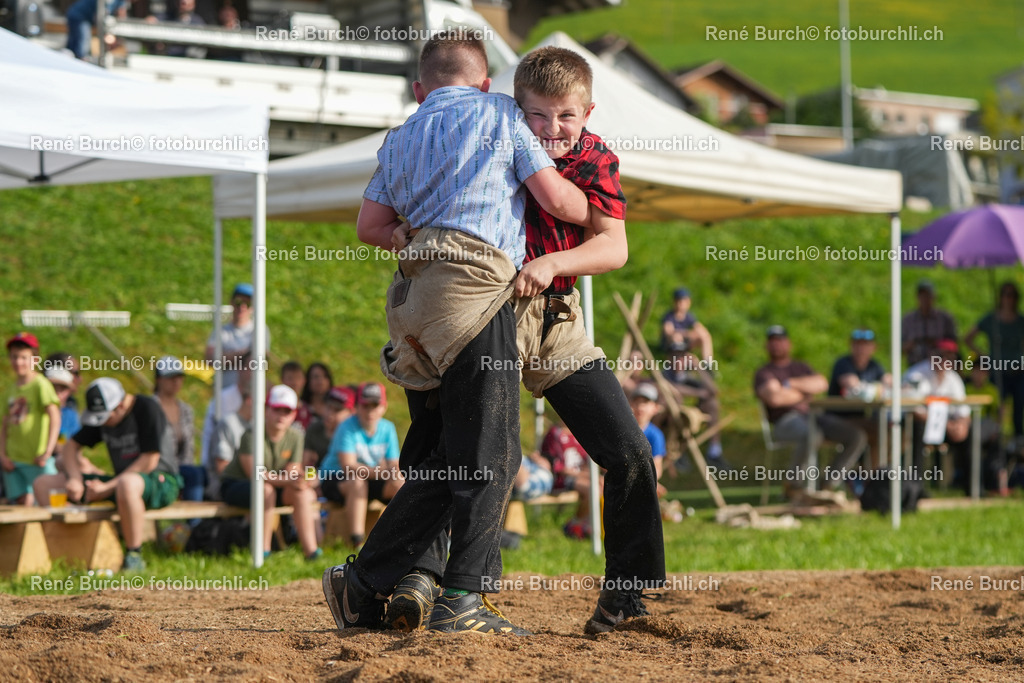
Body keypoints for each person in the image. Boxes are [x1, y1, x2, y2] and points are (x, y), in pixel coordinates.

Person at [322, 30, 592, 636]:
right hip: (475, 294)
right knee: (488, 455)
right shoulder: (500, 114)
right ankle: (460, 600)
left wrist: (402, 236)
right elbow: (557, 200)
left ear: (420, 90)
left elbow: (370, 224)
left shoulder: (400, 136)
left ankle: (383, 581)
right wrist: (599, 206)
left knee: (444, 452)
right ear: (488, 84)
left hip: (414, 304)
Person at [33, 378, 180, 571]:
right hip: (119, 483)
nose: (103, 423)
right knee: (44, 484)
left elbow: (149, 460)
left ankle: (134, 555)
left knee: (127, 484)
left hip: (160, 482)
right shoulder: (105, 412)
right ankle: (68, 554)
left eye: (106, 417)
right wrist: (76, 480)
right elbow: (70, 447)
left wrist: (106, 488)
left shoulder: (146, 408)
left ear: (120, 406)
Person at [754, 325, 867, 499]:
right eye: (772, 342)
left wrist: (787, 385)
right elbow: (774, 399)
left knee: (856, 436)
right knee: (813, 434)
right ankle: (793, 486)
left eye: (780, 341)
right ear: (767, 346)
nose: (777, 345)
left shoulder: (801, 367)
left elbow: (821, 383)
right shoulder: (763, 373)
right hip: (785, 421)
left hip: (815, 416)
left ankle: (828, 483)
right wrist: (804, 392)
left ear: (788, 344)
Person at [219, 385, 321, 560]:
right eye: (276, 410)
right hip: (235, 485)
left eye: (286, 411)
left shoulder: (296, 436)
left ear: (294, 414)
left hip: (272, 486)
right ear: (266, 410)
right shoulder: (251, 435)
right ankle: (263, 551)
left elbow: (293, 470)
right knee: (265, 490)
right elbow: (255, 474)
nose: (281, 416)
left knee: (302, 493)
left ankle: (311, 551)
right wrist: (290, 480)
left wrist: (308, 479)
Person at [319, 382, 402, 548]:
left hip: (368, 477)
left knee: (400, 484)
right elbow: (348, 467)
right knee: (357, 482)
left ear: (383, 408)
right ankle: (357, 542)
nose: (370, 411)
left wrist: (393, 474)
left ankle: (399, 540)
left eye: (375, 405)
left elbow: (395, 464)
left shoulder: (387, 428)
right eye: (365, 406)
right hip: (335, 478)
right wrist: (384, 472)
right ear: (356, 407)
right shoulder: (346, 427)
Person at [2, 333, 61, 506]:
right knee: (23, 503)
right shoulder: (9, 391)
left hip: (37, 458)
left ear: (34, 359)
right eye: (14, 357)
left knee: (49, 499)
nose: (18, 362)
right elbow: (4, 425)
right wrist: (3, 455)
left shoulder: (40, 384)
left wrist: (48, 451)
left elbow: (55, 418)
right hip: (14, 459)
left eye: (23, 357)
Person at [902, 338, 971, 480]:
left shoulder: (953, 378)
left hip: (944, 427)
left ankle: (972, 487)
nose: (944, 360)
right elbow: (913, 409)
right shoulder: (916, 375)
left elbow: (964, 411)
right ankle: (916, 485)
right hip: (916, 425)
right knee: (918, 429)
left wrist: (961, 425)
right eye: (940, 356)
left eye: (949, 357)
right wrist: (947, 425)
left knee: (971, 433)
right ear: (931, 355)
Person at [965, 282, 1024, 445]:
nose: (1008, 299)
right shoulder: (991, 320)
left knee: (1018, 409)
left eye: (1011, 295)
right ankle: (994, 441)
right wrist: (984, 356)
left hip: (1019, 371)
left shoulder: (1020, 321)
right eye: (1005, 294)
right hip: (998, 371)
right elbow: (968, 338)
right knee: (996, 408)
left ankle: (1018, 442)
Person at [828, 329, 891, 469]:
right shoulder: (843, 363)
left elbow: (888, 381)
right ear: (851, 345)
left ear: (873, 347)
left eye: (866, 344)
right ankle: (868, 477)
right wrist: (878, 387)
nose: (861, 348)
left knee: (892, 433)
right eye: (858, 344)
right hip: (838, 418)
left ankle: (874, 475)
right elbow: (851, 383)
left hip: (862, 418)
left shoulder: (875, 365)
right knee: (868, 435)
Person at [662, 343, 727, 467]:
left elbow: (713, 391)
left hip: (687, 414)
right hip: (666, 415)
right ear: (668, 358)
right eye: (675, 356)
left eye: (682, 356)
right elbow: (669, 387)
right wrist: (697, 393)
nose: (679, 359)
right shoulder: (663, 374)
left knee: (712, 403)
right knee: (676, 404)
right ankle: (675, 452)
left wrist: (697, 366)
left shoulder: (688, 376)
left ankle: (715, 452)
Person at [152, 355, 202, 501]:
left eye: (179, 376)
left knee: (197, 474)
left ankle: (194, 521)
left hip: (181, 469)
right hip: (158, 469)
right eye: (170, 377)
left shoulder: (186, 410)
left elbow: (189, 449)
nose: (176, 381)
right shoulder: (150, 408)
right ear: (158, 379)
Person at [539, 422, 598, 540]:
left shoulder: (579, 432)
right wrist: (577, 473)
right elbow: (553, 462)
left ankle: (590, 524)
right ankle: (574, 525)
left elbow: (585, 459)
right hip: (561, 479)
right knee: (592, 489)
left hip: (579, 475)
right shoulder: (555, 434)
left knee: (602, 483)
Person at [205, 283, 267, 391]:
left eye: (247, 303)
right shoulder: (220, 331)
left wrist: (226, 357)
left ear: (253, 307)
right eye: (238, 302)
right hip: (223, 392)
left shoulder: (260, 329)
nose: (242, 307)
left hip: (248, 394)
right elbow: (210, 359)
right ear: (231, 302)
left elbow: (259, 361)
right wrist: (244, 354)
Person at [206, 372, 252, 500]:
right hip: (225, 487)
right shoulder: (228, 423)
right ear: (250, 400)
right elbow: (222, 469)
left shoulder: (255, 427)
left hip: (247, 485)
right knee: (263, 491)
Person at [902, 280, 957, 367]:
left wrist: (937, 344)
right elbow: (900, 347)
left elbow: (954, 344)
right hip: (915, 365)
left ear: (934, 297)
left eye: (927, 296)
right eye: (922, 296)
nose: (925, 299)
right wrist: (913, 344)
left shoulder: (945, 318)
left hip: (939, 366)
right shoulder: (908, 320)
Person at [303, 385, 354, 469]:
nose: (330, 414)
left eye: (337, 410)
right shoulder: (314, 430)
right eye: (328, 407)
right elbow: (307, 465)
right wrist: (312, 478)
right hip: (320, 478)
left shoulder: (354, 434)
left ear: (351, 413)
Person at [630, 383, 667, 497]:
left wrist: (646, 482)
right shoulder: (621, 430)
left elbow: (657, 467)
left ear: (655, 408)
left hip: (642, 480)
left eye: (645, 402)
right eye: (637, 402)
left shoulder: (656, 435)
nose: (640, 407)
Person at [661, 287, 713, 360]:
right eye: (680, 301)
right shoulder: (669, 316)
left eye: (685, 301)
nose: (681, 304)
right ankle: (679, 360)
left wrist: (696, 333)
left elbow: (700, 328)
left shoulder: (689, 316)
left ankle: (708, 363)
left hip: (685, 343)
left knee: (704, 335)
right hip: (670, 345)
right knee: (676, 336)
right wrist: (688, 334)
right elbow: (669, 332)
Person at [65, 0, 129, 60]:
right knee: (82, 41)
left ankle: (73, 59)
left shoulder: (120, 1)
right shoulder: (101, 2)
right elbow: (98, 17)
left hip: (83, 17)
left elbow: (121, 13)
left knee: (76, 42)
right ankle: (79, 60)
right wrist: (106, 33)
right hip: (79, 16)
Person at [280, 360, 309, 428]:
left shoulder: (308, 410)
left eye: (298, 378)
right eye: (290, 378)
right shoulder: (274, 410)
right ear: (282, 380)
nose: (294, 382)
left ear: (304, 380)